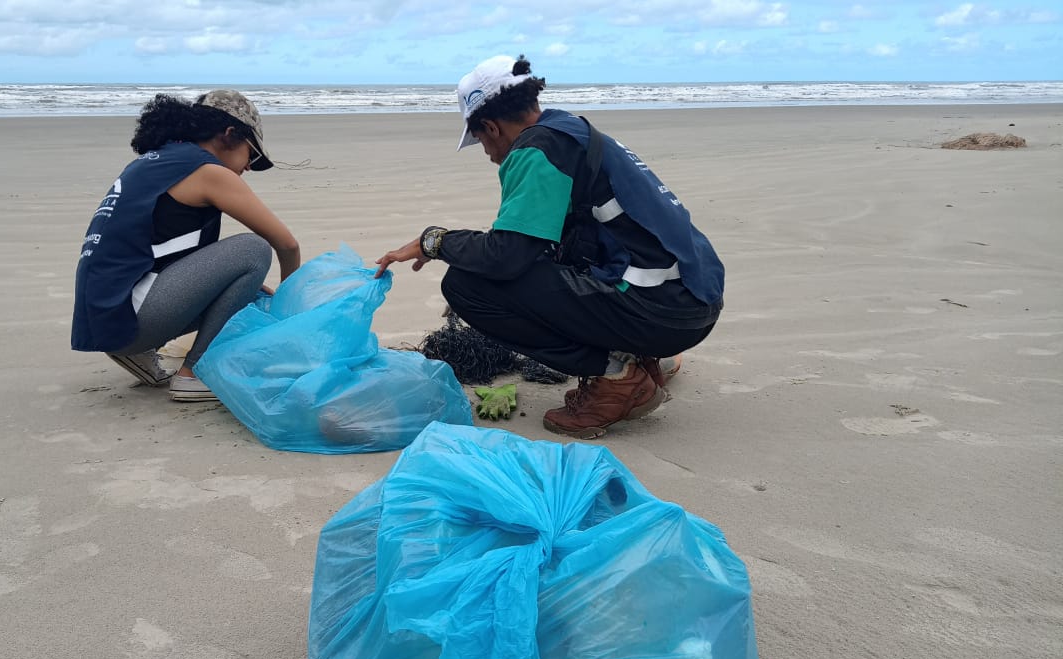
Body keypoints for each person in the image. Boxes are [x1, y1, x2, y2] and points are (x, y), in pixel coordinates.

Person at [375, 55, 725, 439]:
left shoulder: (537, 148)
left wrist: (435, 241)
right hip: (693, 300)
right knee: (522, 264)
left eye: (481, 141)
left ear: (491, 127)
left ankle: (619, 378)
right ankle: (641, 356)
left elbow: (506, 257)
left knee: (465, 286)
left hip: (661, 311)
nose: (489, 155)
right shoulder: (570, 130)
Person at [71, 90, 301, 401]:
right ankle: (196, 373)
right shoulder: (206, 171)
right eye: (252, 155)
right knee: (253, 249)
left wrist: (246, 289)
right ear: (230, 135)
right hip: (131, 314)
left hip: (103, 314)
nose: (248, 168)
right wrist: (290, 308)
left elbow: (162, 250)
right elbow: (286, 245)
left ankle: (137, 352)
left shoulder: (153, 163)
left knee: (251, 290)